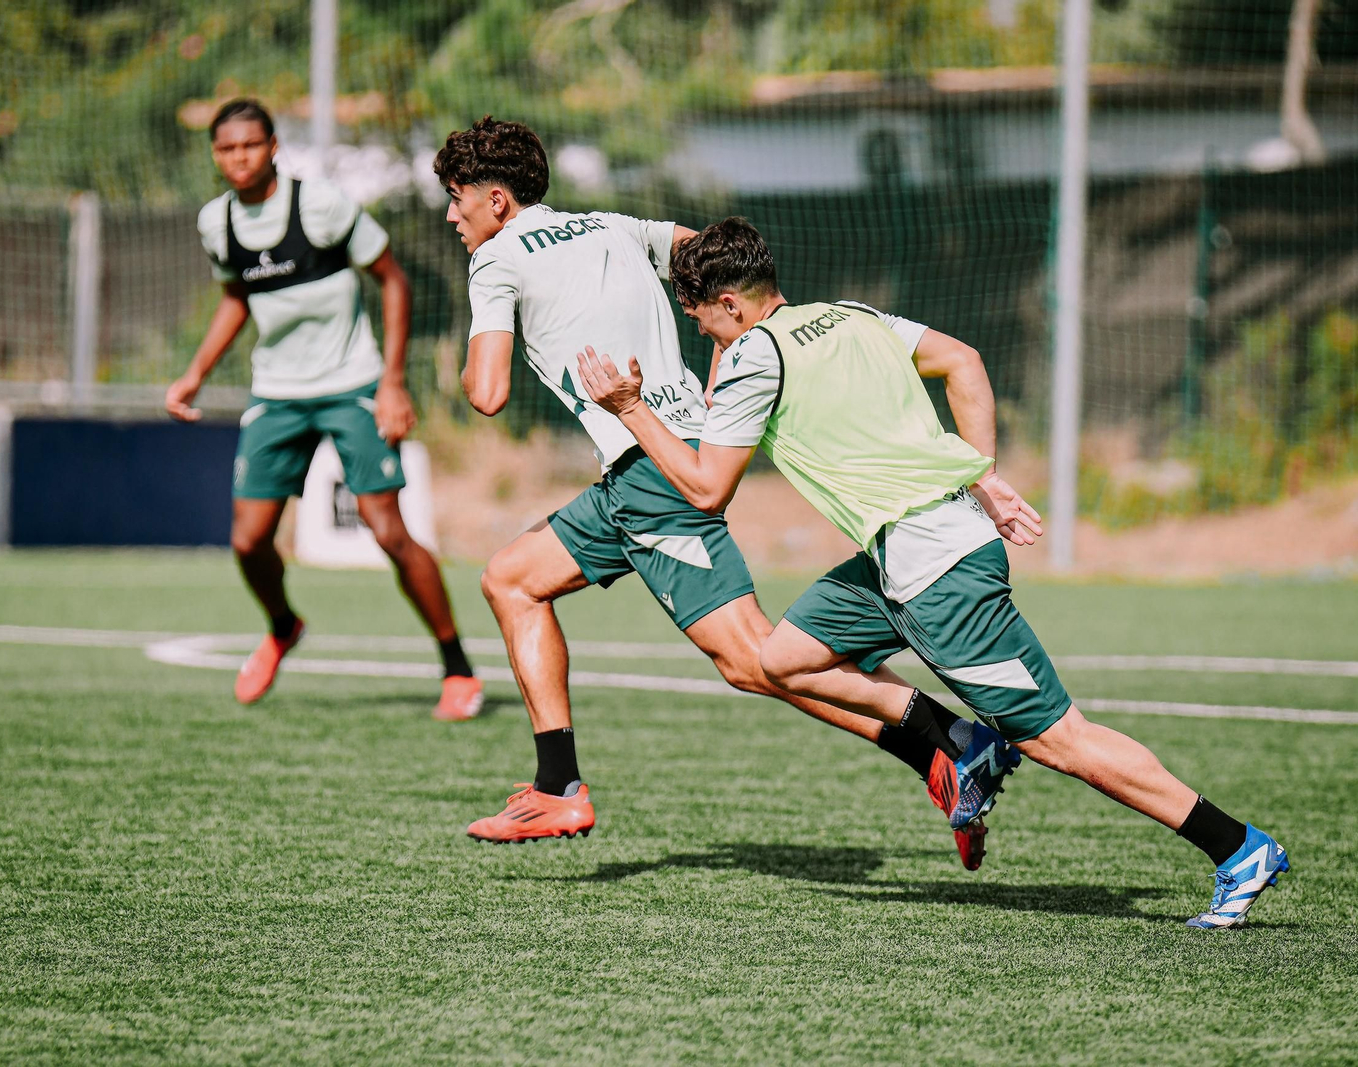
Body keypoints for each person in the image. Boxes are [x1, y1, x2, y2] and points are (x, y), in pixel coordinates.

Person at [575, 216, 1288, 929]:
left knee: (1061, 739)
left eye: (702, 321)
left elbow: (705, 489)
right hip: (901, 554)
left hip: (939, 573)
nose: (705, 337)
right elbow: (964, 360)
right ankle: (966, 743)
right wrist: (981, 474)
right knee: (781, 657)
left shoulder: (759, 356)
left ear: (731, 303)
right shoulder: (846, 314)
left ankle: (1236, 847)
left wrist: (631, 408)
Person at [434, 117, 1016, 862]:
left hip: (655, 475)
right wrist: (726, 350)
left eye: (457, 200)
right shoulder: (610, 223)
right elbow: (708, 253)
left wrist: (470, 352)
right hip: (648, 465)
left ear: (497, 199)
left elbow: (485, 393)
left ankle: (951, 739)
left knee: (754, 660)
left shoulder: (495, 261)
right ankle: (557, 786)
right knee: (511, 580)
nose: (453, 217)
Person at [166, 99, 483, 722]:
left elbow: (393, 279)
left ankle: (456, 666)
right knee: (248, 540)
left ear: (274, 146)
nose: (239, 158)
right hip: (277, 393)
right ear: (215, 155)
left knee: (387, 530)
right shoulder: (216, 223)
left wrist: (392, 383)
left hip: (352, 384)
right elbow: (238, 298)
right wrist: (194, 375)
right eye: (226, 149)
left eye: (250, 146)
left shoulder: (321, 205)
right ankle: (283, 626)